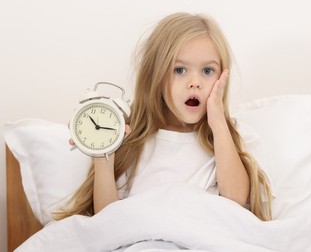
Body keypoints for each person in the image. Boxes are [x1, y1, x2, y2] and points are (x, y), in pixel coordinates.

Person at [55, 12, 272, 221]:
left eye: (207, 71)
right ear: (155, 77)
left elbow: (235, 199)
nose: (195, 82)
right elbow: (109, 222)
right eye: (179, 70)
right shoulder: (131, 141)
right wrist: (102, 155)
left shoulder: (229, 137)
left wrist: (218, 124)